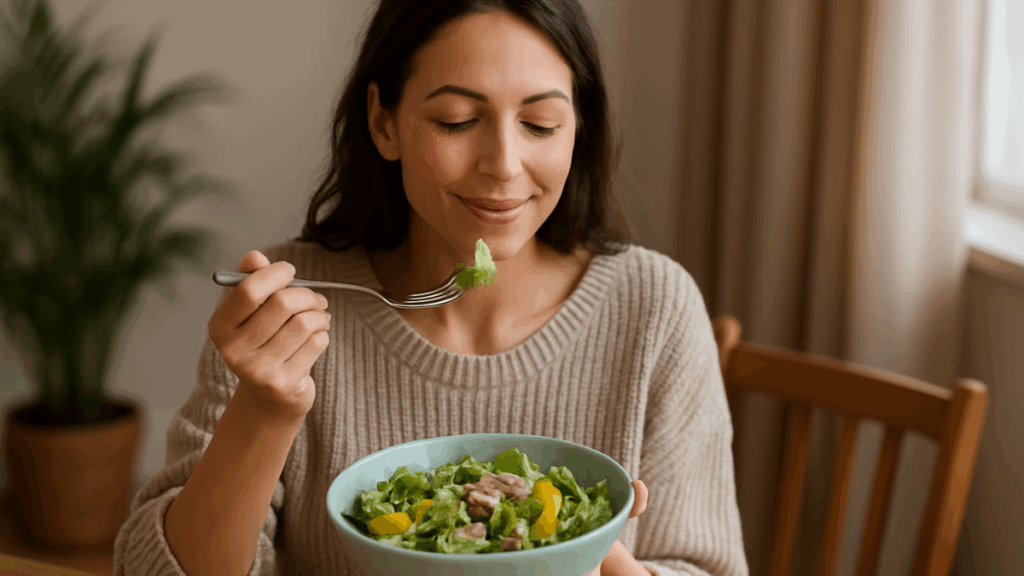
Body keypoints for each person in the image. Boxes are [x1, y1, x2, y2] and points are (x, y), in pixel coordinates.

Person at [113, 0, 749, 574]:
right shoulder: (287, 314)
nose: (502, 164)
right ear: (383, 123)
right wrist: (263, 410)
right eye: (455, 120)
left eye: (542, 124)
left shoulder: (654, 305)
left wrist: (586, 551)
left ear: (578, 129)